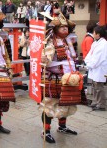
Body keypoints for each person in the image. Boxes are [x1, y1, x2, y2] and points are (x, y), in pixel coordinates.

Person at [40, 13, 85, 143]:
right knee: (49, 105)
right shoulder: (50, 41)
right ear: (55, 29)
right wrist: (44, 59)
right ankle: (46, 131)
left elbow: (72, 58)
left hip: (70, 78)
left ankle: (62, 127)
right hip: (55, 78)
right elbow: (46, 60)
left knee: (66, 102)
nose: (65, 29)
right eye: (62, 27)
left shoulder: (69, 41)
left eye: (66, 27)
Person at [85, 25, 107, 111]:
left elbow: (99, 58)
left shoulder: (103, 44)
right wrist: (87, 62)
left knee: (99, 87)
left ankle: (101, 104)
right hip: (94, 67)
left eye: (94, 32)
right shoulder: (95, 43)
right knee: (94, 86)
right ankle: (96, 101)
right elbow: (90, 54)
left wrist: (90, 64)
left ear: (98, 34)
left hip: (99, 68)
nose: (93, 34)